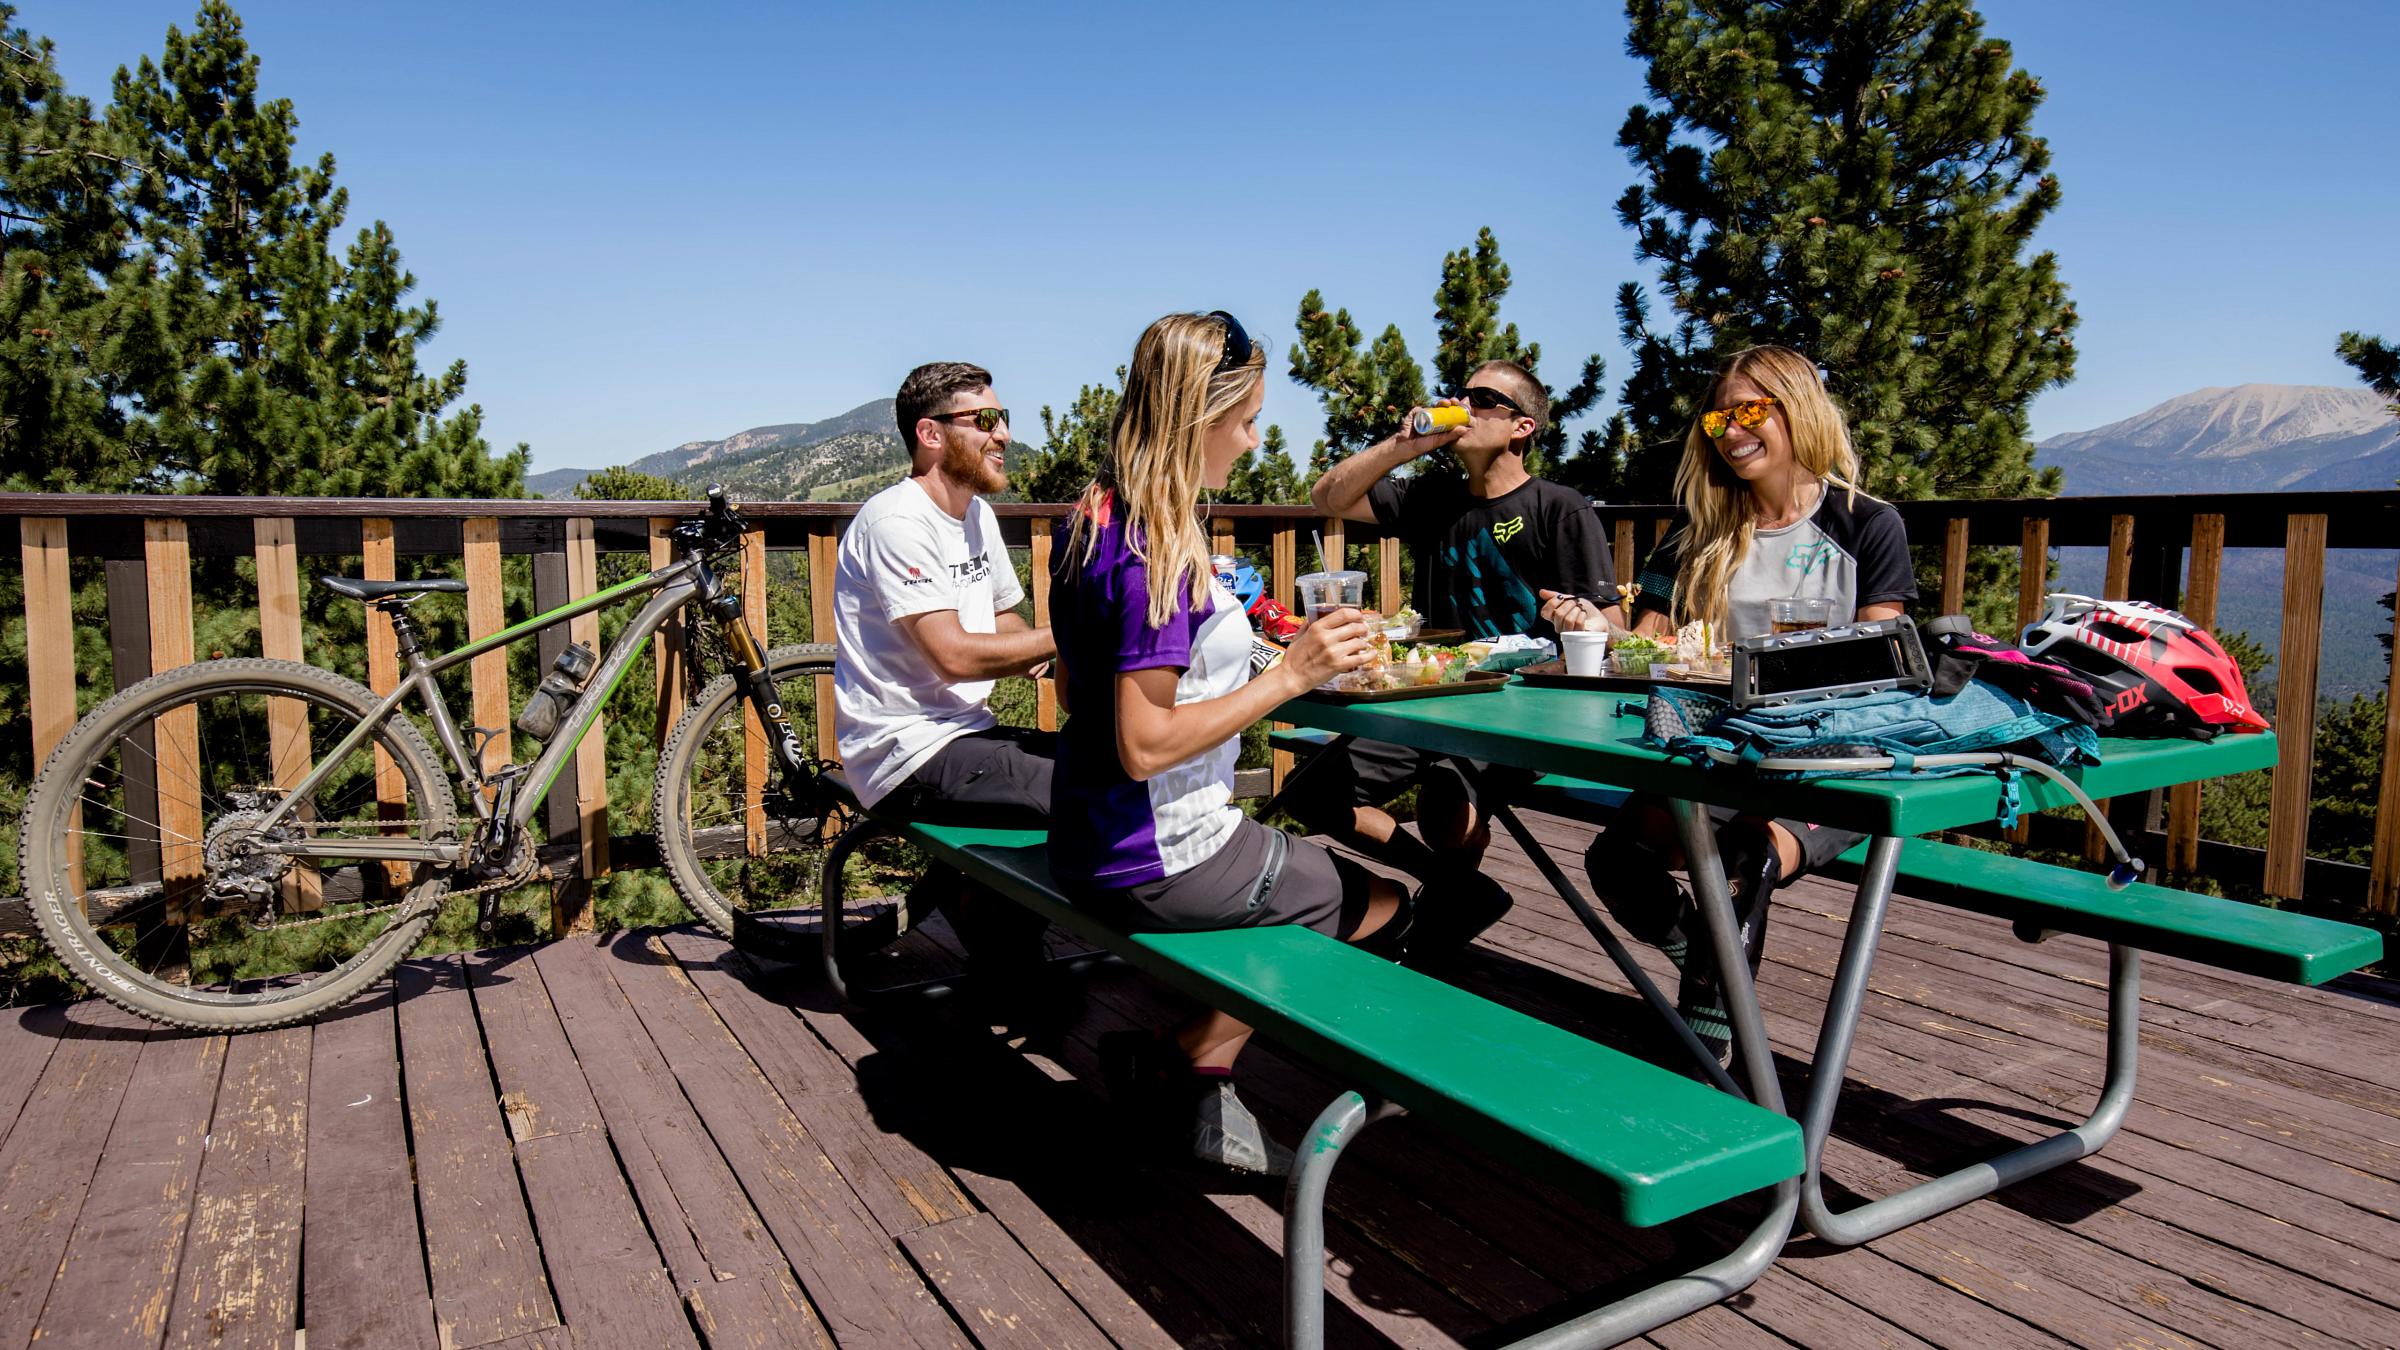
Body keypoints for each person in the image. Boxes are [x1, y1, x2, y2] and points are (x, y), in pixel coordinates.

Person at [1049, 312, 1408, 1175]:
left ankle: (1196, 1061)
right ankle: (1198, 1063)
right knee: (1387, 908)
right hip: (1158, 851)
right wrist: (1289, 677)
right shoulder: (1153, 554)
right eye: (1245, 421)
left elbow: (1073, 690)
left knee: (1319, 884)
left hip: (1085, 832)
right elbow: (1145, 745)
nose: (1252, 442)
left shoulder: (1092, 520)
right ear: (1194, 420)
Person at [1546, 345, 1917, 1066]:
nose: (1730, 429)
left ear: (1797, 408)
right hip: (1722, 746)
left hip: (1832, 755)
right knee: (1617, 864)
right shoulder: (1699, 534)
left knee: (1744, 856)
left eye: (1750, 410)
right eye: (1719, 416)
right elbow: (1645, 650)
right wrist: (1598, 630)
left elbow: (1884, 660)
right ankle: (1710, 975)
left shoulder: (1865, 522)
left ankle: (1710, 1063)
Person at [1298, 359, 1618, 963]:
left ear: (1522, 426)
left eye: (1483, 398)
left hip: (1523, 706)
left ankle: (1435, 934)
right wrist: (1405, 444)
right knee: (1314, 793)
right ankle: (1457, 888)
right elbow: (1328, 496)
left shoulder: (1559, 507)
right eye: (1459, 394)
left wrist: (1584, 619)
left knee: (1446, 794)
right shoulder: (1432, 497)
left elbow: (1611, 626)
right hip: (1430, 691)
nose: (1463, 404)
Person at [833, 361, 1057, 973]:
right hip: (903, 750)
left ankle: (994, 921)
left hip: (962, 733)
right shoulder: (897, 522)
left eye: (1004, 417)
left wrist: (1071, 658)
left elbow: (1010, 626)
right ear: (931, 434)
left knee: (1100, 761)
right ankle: (1004, 944)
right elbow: (955, 655)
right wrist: (1077, 632)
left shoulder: (976, 515)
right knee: (1090, 788)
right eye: (985, 419)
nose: (1004, 433)